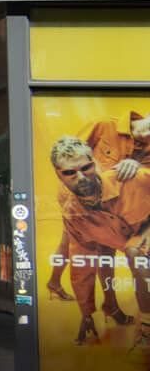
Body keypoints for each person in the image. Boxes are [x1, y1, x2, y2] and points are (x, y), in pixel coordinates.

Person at [47, 137, 150, 346]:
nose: (81, 177)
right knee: (115, 254)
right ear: (59, 175)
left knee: (134, 252)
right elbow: (82, 263)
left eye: (86, 167)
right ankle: (124, 317)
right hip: (121, 241)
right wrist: (86, 313)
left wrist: (139, 164)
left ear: (95, 162)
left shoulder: (133, 179)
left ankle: (145, 330)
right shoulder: (73, 214)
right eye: (69, 173)